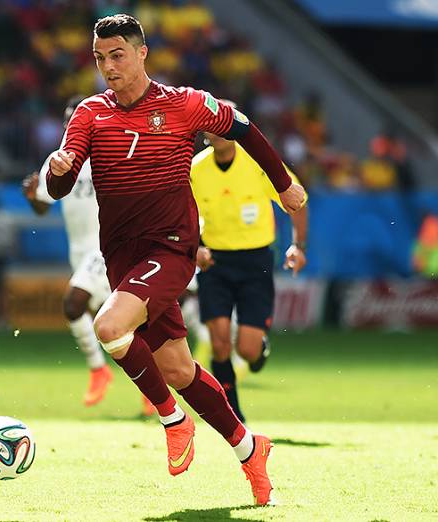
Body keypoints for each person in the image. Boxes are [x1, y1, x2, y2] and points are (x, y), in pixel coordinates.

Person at [45, 15, 305, 506]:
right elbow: (63, 181)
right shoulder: (88, 115)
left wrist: (283, 183)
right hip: (122, 258)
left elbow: (244, 127)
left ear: (143, 53)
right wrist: (58, 172)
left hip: (171, 247)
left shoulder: (184, 104)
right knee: (180, 370)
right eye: (100, 58)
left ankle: (172, 418)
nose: (108, 67)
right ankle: (251, 451)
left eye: (117, 55)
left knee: (108, 327)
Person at [191, 128, 309, 423]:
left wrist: (298, 245)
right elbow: (182, 213)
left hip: (255, 261)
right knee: (219, 344)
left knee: (247, 350)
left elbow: (298, 201)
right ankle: (232, 415)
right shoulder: (196, 168)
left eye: (225, 125)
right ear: (206, 133)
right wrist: (195, 247)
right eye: (213, 125)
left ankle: (258, 351)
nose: (218, 131)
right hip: (214, 262)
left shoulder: (259, 164)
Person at [22, 96, 114, 407]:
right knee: (121, 326)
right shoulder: (58, 159)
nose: (68, 125)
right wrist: (32, 196)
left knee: (73, 304)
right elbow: (42, 208)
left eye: (75, 119)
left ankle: (98, 370)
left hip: (107, 247)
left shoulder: (111, 153)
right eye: (66, 120)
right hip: (80, 253)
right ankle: (150, 390)